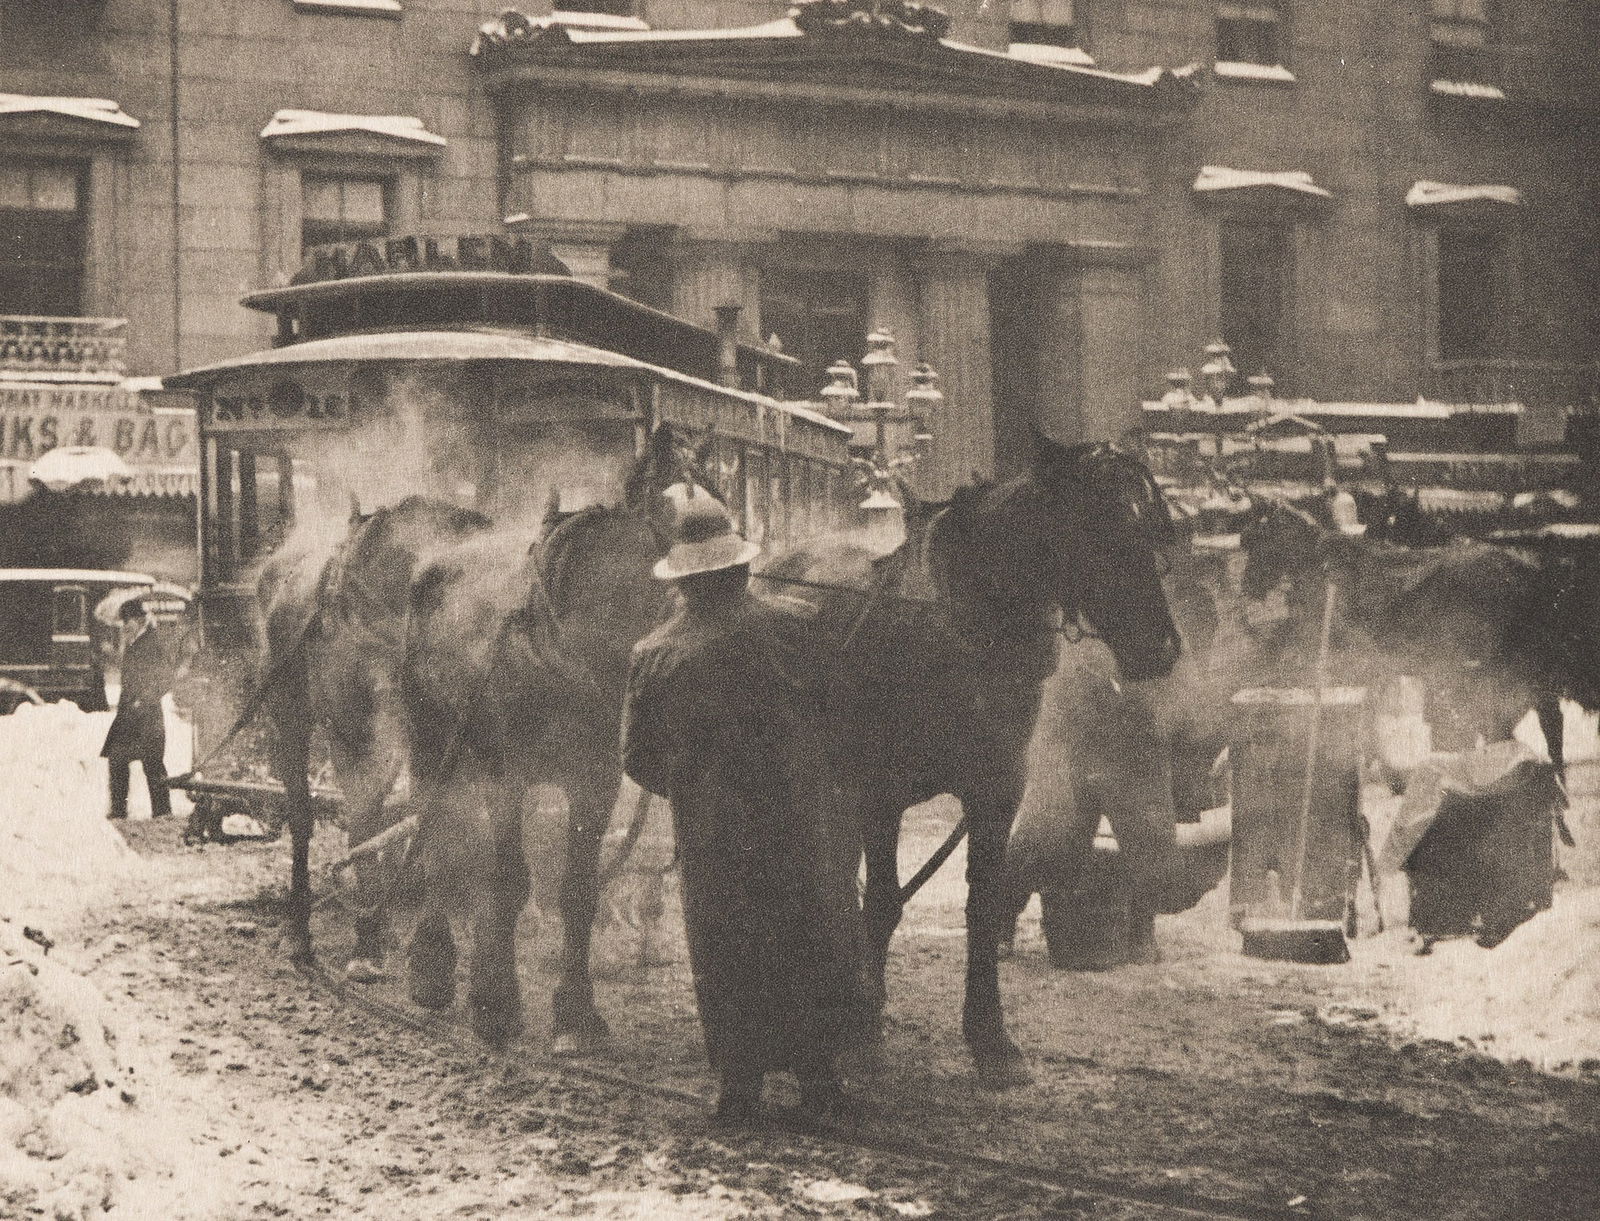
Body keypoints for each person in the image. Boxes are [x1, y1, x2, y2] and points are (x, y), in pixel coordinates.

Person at [620, 496, 864, 1125]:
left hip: (712, 833)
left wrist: (699, 791)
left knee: (726, 949)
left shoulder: (653, 653)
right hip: (797, 818)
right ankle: (819, 1080)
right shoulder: (799, 624)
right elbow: (844, 716)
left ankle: (738, 1085)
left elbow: (638, 759)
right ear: (738, 569)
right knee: (807, 937)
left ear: (683, 580)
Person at [102, 598, 174, 820]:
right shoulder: (135, 642)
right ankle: (119, 810)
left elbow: (164, 678)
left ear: (138, 620)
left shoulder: (153, 642)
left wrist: (144, 700)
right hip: (129, 714)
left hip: (147, 714)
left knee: (152, 763)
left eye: (127, 622)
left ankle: (162, 812)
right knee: (117, 759)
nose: (124, 627)